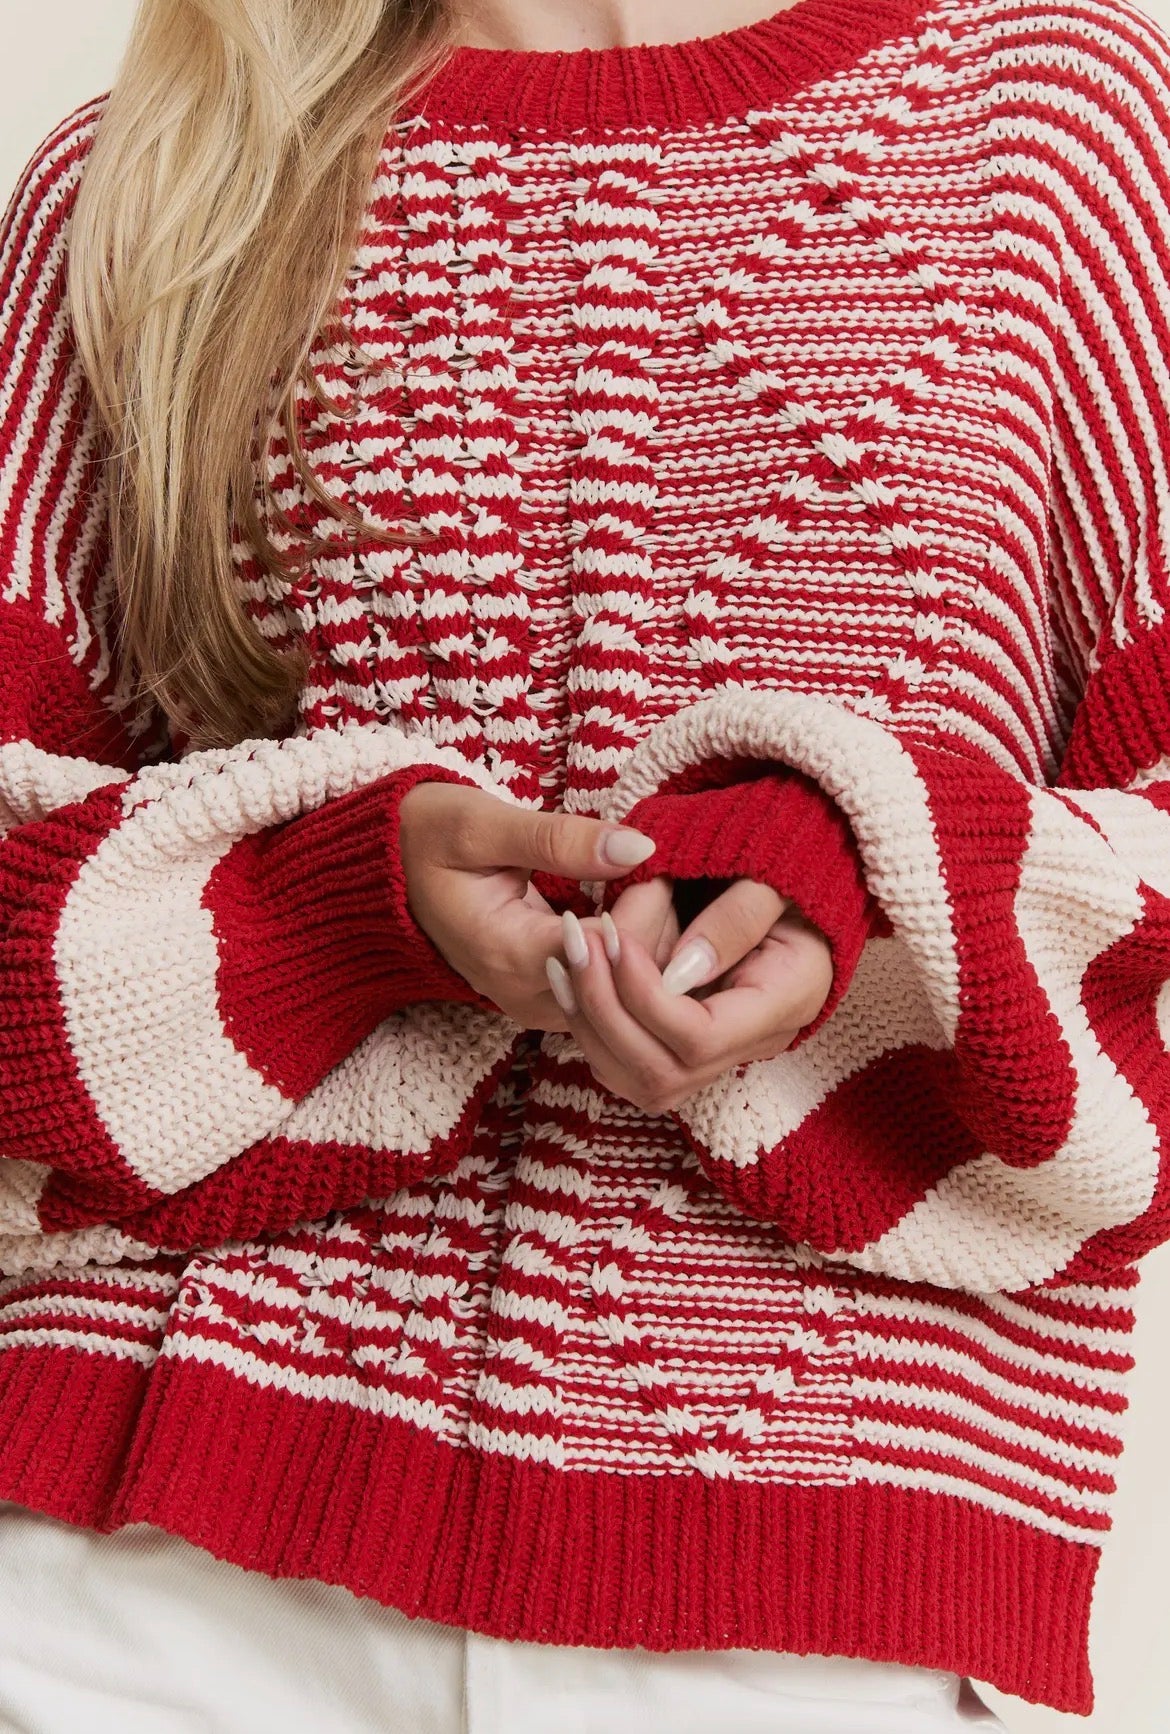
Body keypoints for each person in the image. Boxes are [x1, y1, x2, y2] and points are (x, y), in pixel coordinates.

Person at [1, 0, 1168, 1724]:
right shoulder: (138, 188)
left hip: (814, 1589)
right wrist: (340, 899)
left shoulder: (1062, 133)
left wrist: (854, 855)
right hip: (148, 1565)